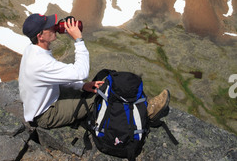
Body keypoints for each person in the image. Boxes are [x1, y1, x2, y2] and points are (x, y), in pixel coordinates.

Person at [18, 13, 170, 129]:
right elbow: (81, 72)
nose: (55, 26)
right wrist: (78, 40)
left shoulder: (32, 50)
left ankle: (138, 104)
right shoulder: (40, 63)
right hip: (45, 114)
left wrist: (81, 86)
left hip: (49, 98)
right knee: (101, 97)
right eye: (50, 26)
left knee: (99, 88)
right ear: (40, 36)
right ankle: (147, 112)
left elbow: (54, 79)